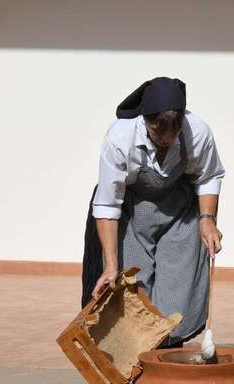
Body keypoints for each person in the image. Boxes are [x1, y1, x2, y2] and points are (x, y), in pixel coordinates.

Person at [82, 76, 225, 347]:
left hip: (179, 215)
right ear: (145, 121)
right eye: (159, 134)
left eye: (174, 132)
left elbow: (209, 176)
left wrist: (207, 219)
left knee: (177, 294)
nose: (167, 140)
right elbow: (108, 203)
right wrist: (110, 265)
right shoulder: (120, 138)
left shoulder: (198, 132)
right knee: (133, 292)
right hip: (132, 215)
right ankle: (135, 367)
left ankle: (166, 360)